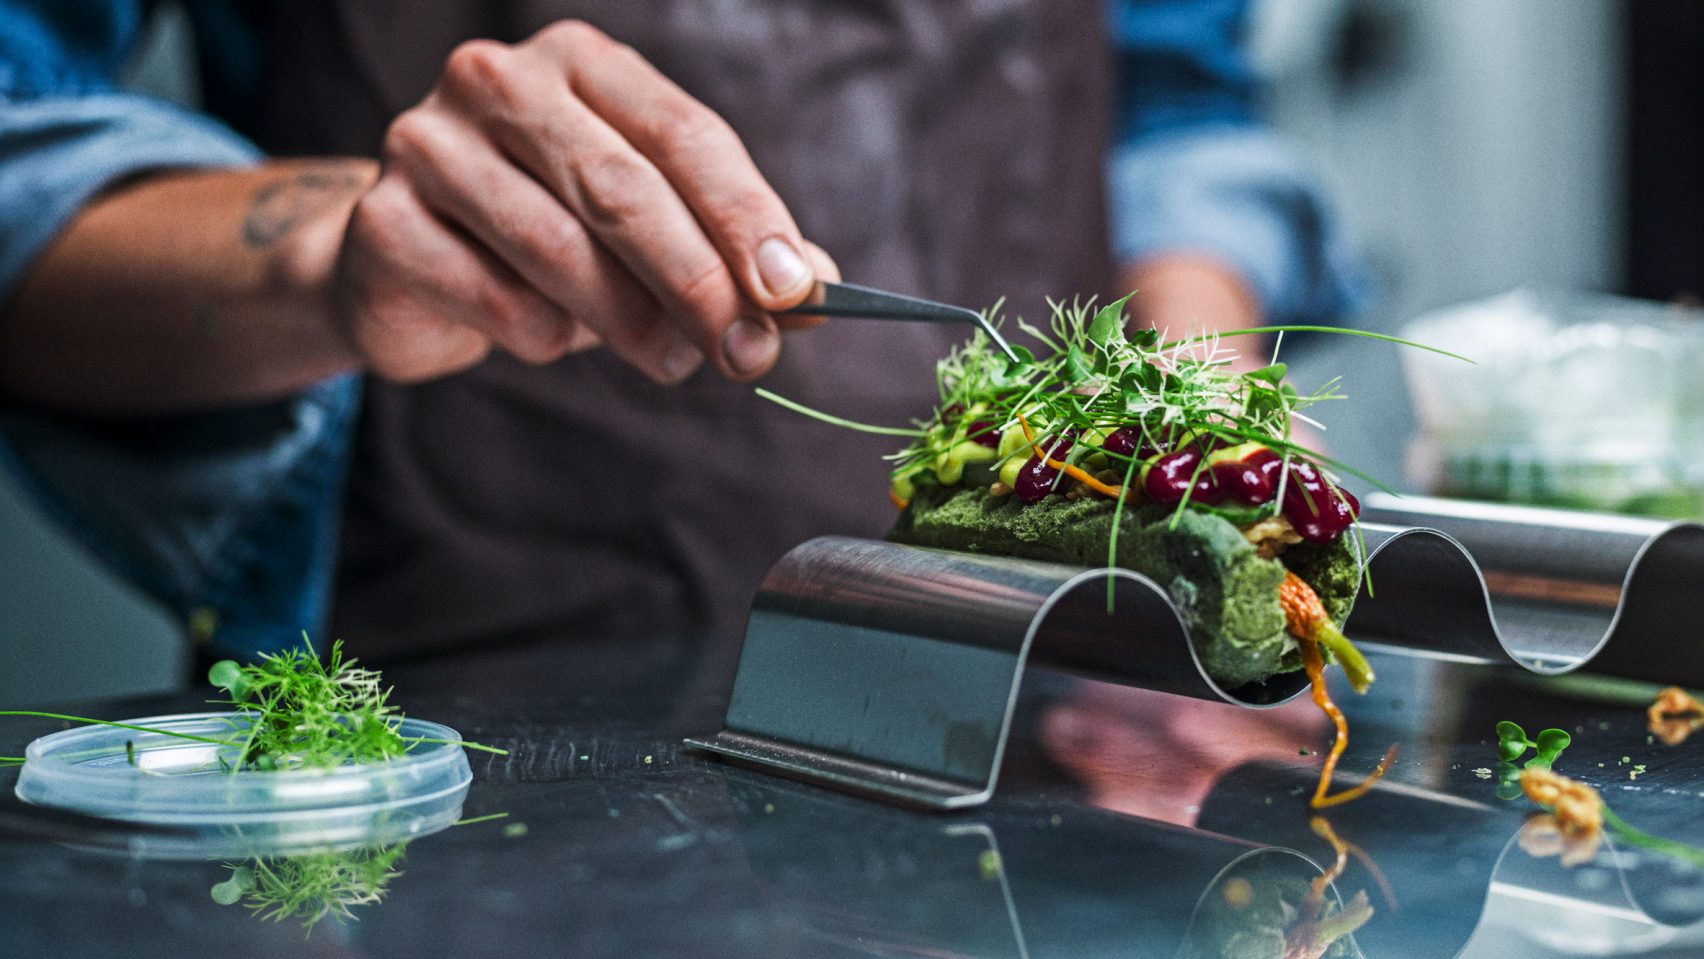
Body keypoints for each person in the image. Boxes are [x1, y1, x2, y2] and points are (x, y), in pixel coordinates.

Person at [0, 1, 1361, 664]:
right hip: (462, 730)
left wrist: (1193, 418)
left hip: (1055, 705)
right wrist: (337, 252)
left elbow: (1174, 111)